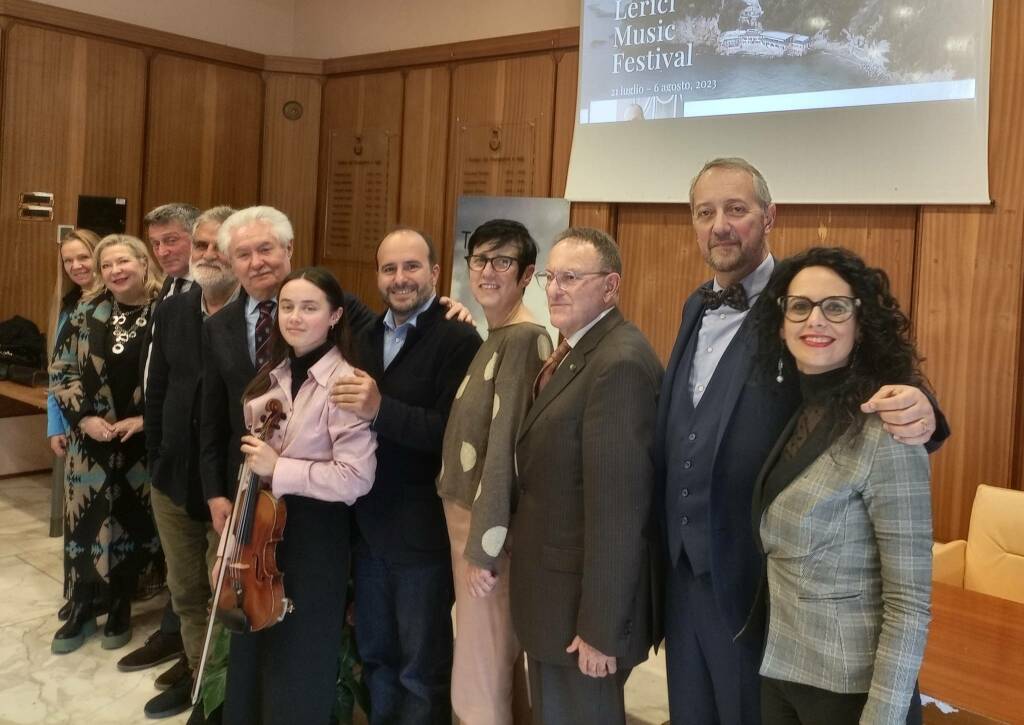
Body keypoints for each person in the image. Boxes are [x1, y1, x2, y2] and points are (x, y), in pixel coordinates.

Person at [656, 157, 948, 724]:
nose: (720, 225)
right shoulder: (696, 304)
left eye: (736, 210)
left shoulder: (805, 302)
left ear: (770, 216)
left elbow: (869, 373)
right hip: (683, 575)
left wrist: (924, 409)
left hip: (762, 589)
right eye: (705, 212)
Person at [748, 246, 932, 723]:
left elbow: (909, 604)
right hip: (782, 672)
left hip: (851, 692)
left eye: (835, 306)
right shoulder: (798, 405)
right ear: (782, 319)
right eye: (800, 306)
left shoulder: (890, 427)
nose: (816, 320)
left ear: (860, 319)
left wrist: (883, 716)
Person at [509, 227, 662, 725]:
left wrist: (600, 627)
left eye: (571, 277)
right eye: (551, 276)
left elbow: (619, 509)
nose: (555, 288)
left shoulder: (618, 362)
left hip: (581, 616)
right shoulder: (578, 351)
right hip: (554, 601)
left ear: (610, 287)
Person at [331, 227, 481, 725]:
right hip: (368, 529)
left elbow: (453, 438)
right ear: (377, 276)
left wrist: (380, 410)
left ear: (435, 274)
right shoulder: (364, 336)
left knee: (422, 668)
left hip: (423, 536)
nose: (400, 279)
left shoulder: (459, 338)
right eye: (390, 269)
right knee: (377, 658)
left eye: (412, 267)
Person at [220, 267, 377, 725]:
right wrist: (230, 547)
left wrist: (280, 468)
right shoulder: (271, 377)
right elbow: (249, 473)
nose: (295, 317)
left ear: (334, 317)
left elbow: (356, 478)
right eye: (287, 306)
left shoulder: (345, 382)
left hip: (314, 537)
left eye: (309, 308)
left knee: (299, 660)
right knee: (251, 651)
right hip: (258, 529)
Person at [437, 219, 551, 725]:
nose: (487, 271)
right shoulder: (497, 333)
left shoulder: (525, 338)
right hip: (471, 524)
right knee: (496, 666)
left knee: (478, 678)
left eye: (502, 261)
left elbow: (506, 449)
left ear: (526, 274)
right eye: (479, 259)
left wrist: (482, 549)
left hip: (485, 534)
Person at [142, 206, 239, 722]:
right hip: (173, 477)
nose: (206, 255)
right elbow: (158, 390)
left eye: (218, 245)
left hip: (226, 485)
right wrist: (156, 457)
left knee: (223, 597)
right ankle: (200, 683)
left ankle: (220, 695)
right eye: (200, 245)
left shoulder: (261, 314)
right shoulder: (175, 310)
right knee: (186, 593)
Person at [49, 234, 166, 654]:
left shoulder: (164, 313)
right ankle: (82, 604)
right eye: (107, 266)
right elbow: (60, 369)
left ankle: (119, 603)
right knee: (87, 522)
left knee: (131, 524)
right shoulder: (84, 311)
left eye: (124, 262)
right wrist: (84, 418)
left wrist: (145, 419)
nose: (115, 271)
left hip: (139, 443)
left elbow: (176, 376)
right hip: (90, 444)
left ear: (142, 262)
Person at [120, 201, 200, 681]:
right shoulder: (169, 288)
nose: (164, 250)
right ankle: (175, 636)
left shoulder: (215, 293)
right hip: (164, 443)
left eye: (173, 239)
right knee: (178, 563)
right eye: (156, 244)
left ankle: (195, 661)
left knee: (196, 568)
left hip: (199, 454)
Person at [47, 228, 100, 574]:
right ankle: (82, 585)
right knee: (77, 514)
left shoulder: (116, 302)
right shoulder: (67, 307)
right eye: (69, 260)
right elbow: (56, 371)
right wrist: (55, 425)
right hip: (71, 423)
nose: (77, 265)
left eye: (84, 257)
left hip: (105, 423)